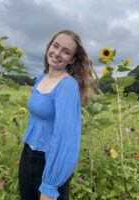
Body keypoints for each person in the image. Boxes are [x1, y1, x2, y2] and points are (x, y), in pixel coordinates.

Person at [18, 30, 95, 200]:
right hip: (27, 156)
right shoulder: (41, 79)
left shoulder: (67, 85)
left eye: (66, 51)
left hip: (48, 164)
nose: (57, 53)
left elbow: (66, 138)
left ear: (73, 59)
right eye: (56, 46)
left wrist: (50, 185)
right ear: (49, 46)